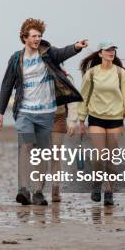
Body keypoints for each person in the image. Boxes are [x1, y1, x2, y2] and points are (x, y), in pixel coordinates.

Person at [0, 18, 87, 206]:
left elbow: (62, 53)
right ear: (25, 38)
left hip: (46, 112)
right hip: (24, 111)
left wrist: (76, 47)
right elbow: (6, 86)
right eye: (34, 36)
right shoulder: (16, 59)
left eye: (39, 35)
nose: (37, 39)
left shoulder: (47, 53)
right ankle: (23, 189)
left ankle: (37, 191)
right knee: (26, 147)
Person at [77, 41, 125, 206]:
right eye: (108, 50)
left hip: (116, 119)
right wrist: (81, 120)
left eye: (113, 49)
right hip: (95, 118)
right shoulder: (91, 73)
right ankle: (96, 183)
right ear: (100, 53)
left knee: (111, 157)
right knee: (100, 154)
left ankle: (109, 190)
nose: (111, 52)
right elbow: (83, 96)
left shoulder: (121, 73)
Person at [50, 70, 78, 203]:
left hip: (59, 118)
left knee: (56, 155)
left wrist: (72, 121)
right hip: (39, 118)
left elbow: (72, 100)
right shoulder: (36, 72)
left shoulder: (65, 76)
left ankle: (55, 189)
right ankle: (37, 189)